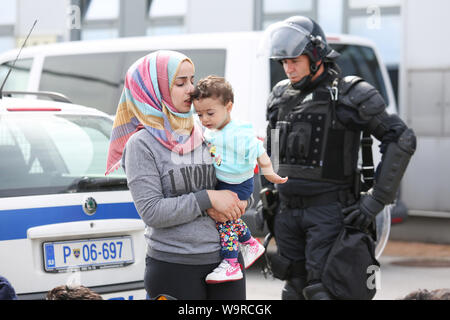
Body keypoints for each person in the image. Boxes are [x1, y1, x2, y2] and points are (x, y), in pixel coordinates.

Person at [259, 16, 416, 300]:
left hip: (330, 213)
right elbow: (272, 148)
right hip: (287, 213)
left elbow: (401, 138)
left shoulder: (349, 94)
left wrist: (376, 200)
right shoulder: (280, 95)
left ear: (316, 55)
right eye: (283, 62)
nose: (288, 67)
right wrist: (268, 191)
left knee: (325, 293)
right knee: (292, 292)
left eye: (295, 60)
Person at [106, 50, 248, 300]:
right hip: (174, 266)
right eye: (181, 83)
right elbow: (152, 211)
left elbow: (238, 176)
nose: (191, 89)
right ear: (153, 89)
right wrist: (207, 199)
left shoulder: (207, 128)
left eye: (192, 80)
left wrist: (241, 201)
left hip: (226, 261)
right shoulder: (142, 144)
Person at [191, 76, 287, 284]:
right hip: (225, 182)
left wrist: (269, 171)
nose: (204, 119)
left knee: (224, 221)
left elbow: (259, 150)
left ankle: (231, 263)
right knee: (231, 219)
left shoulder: (237, 132)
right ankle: (249, 243)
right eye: (199, 114)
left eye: (210, 113)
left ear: (229, 106)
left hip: (237, 185)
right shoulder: (213, 129)